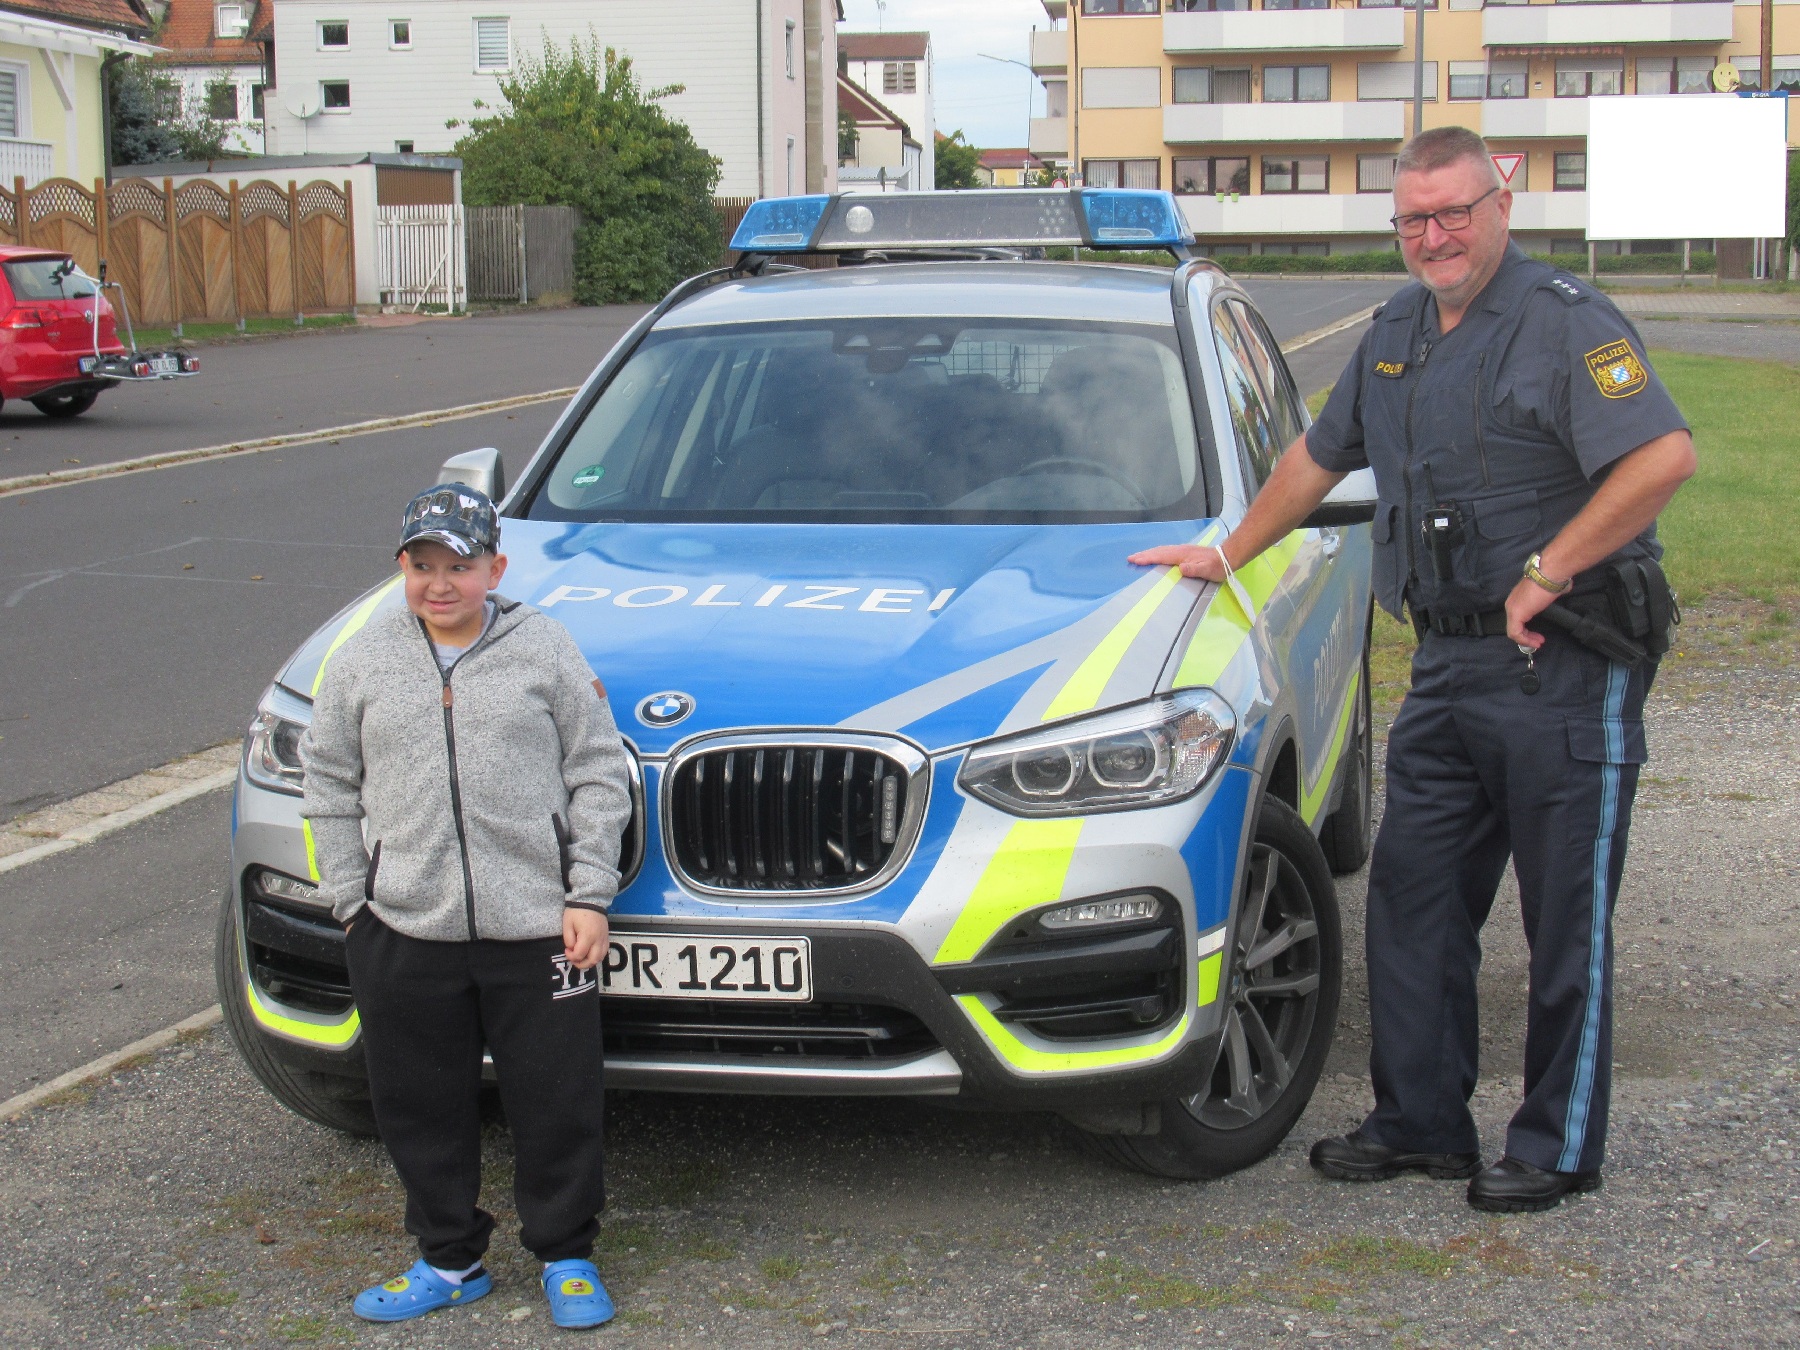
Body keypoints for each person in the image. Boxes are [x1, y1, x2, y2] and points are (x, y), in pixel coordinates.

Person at [1130, 126, 1694, 1213]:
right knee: (1414, 897)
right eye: (1413, 219)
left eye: (1454, 212)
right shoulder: (1396, 330)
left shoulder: (1565, 323)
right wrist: (1228, 551)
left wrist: (1551, 569)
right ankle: (1422, 1121)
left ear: (1501, 206)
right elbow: (1316, 456)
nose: (1434, 235)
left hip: (1560, 663)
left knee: (1563, 916)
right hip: (1444, 665)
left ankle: (1557, 1143)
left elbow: (1662, 455)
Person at [302, 483, 634, 1324]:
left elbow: (597, 770)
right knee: (418, 1103)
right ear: (401, 567)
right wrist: (353, 901)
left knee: (556, 1098)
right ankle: (449, 1261)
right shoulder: (364, 660)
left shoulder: (544, 648)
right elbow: (329, 782)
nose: (439, 583)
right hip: (405, 926)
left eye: (460, 565)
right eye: (422, 565)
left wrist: (587, 893)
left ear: (496, 566)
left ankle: (565, 1255)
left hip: (538, 927)